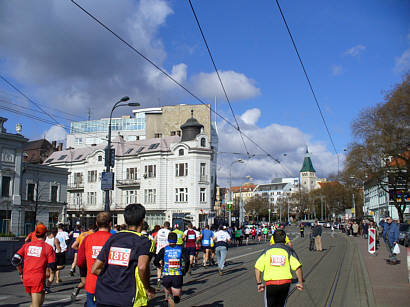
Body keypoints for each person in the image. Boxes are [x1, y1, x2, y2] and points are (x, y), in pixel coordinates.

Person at [92, 203, 155, 307]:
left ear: (126, 221)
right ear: (142, 221)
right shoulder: (144, 241)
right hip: (127, 297)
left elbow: (94, 269)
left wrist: (114, 278)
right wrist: (147, 287)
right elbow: (142, 267)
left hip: (103, 295)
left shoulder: (113, 238)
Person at [254, 230, 303, 307]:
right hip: (285, 283)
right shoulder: (288, 251)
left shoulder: (267, 251)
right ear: (284, 239)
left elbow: (257, 267)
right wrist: (300, 282)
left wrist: (259, 283)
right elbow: (297, 267)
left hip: (270, 284)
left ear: (273, 238)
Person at [12, 224, 57, 307]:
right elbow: (52, 266)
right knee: (37, 305)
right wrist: (50, 281)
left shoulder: (27, 246)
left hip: (26, 278)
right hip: (38, 279)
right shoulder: (48, 247)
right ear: (45, 235)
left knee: (37, 304)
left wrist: (21, 273)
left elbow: (15, 260)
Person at [77, 212, 112, 307]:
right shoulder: (114, 239)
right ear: (110, 224)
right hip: (110, 284)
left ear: (97, 223)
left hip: (92, 282)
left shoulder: (88, 238)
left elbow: (80, 262)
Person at [154, 232, 189, 307]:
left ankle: (167, 298)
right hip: (177, 275)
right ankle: (175, 298)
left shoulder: (164, 249)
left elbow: (155, 260)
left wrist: (158, 265)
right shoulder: (181, 249)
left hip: (167, 275)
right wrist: (185, 271)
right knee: (177, 297)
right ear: (176, 240)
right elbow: (187, 261)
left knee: (167, 290)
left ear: (168, 240)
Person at [70, 225, 95, 301]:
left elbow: (73, 246)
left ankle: (77, 289)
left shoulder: (82, 234)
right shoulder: (93, 235)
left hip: (81, 258)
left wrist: (80, 250)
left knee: (84, 281)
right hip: (89, 259)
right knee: (93, 280)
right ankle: (90, 300)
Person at [44, 228, 61, 294]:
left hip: (44, 258)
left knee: (46, 274)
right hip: (51, 258)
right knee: (52, 274)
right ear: (55, 233)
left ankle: (43, 286)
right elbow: (58, 250)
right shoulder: (55, 239)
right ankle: (47, 288)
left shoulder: (45, 238)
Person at [155, 221, 171, 288]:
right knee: (166, 265)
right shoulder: (169, 232)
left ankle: (158, 280)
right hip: (166, 251)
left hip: (159, 250)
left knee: (159, 266)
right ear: (169, 226)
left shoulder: (159, 231)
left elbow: (154, 240)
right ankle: (166, 280)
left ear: (163, 225)